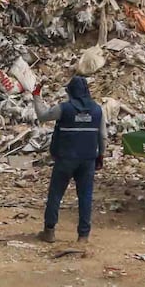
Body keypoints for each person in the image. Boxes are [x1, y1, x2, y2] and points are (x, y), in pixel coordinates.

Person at [32, 75, 106, 244]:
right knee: (85, 196)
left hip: (65, 159)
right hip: (87, 159)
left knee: (56, 194)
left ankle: (49, 231)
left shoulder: (64, 109)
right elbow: (103, 136)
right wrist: (100, 155)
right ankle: (83, 236)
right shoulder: (97, 110)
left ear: (71, 92)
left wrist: (36, 96)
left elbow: (43, 116)